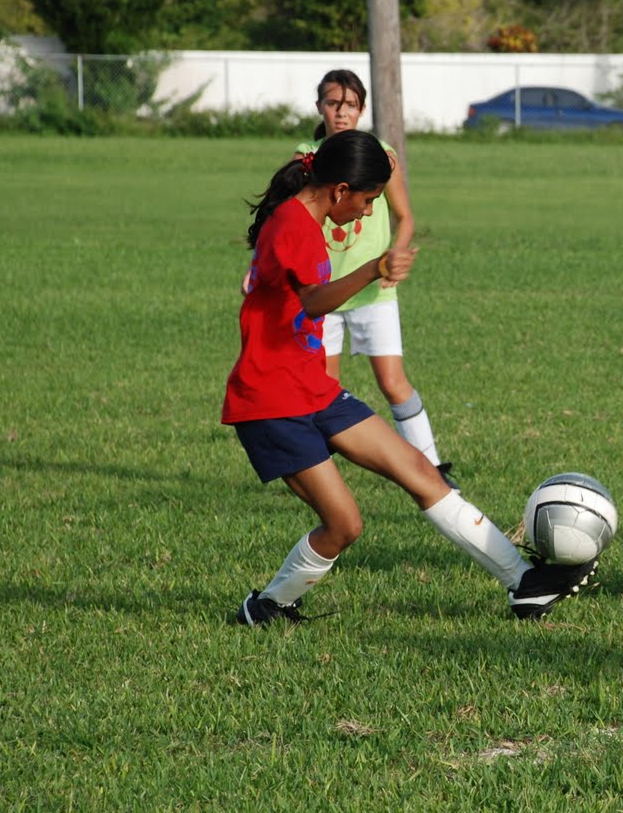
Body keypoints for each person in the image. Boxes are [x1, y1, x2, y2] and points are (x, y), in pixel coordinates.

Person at [224, 130, 596, 624]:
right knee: (344, 525)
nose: (367, 211)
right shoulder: (293, 224)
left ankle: (525, 584)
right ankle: (269, 605)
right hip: (271, 401)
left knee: (420, 471)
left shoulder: (309, 221)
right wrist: (374, 267)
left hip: (313, 388)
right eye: (368, 199)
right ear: (339, 190)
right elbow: (313, 300)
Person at [296, 70, 452, 485]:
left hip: (374, 294)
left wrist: (397, 252)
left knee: (393, 382)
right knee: (324, 391)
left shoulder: (380, 156)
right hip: (324, 295)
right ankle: (323, 478)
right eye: (333, 103)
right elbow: (287, 223)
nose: (341, 112)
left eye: (350, 105)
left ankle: (432, 468)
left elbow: (405, 217)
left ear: (362, 110)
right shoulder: (306, 158)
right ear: (319, 108)